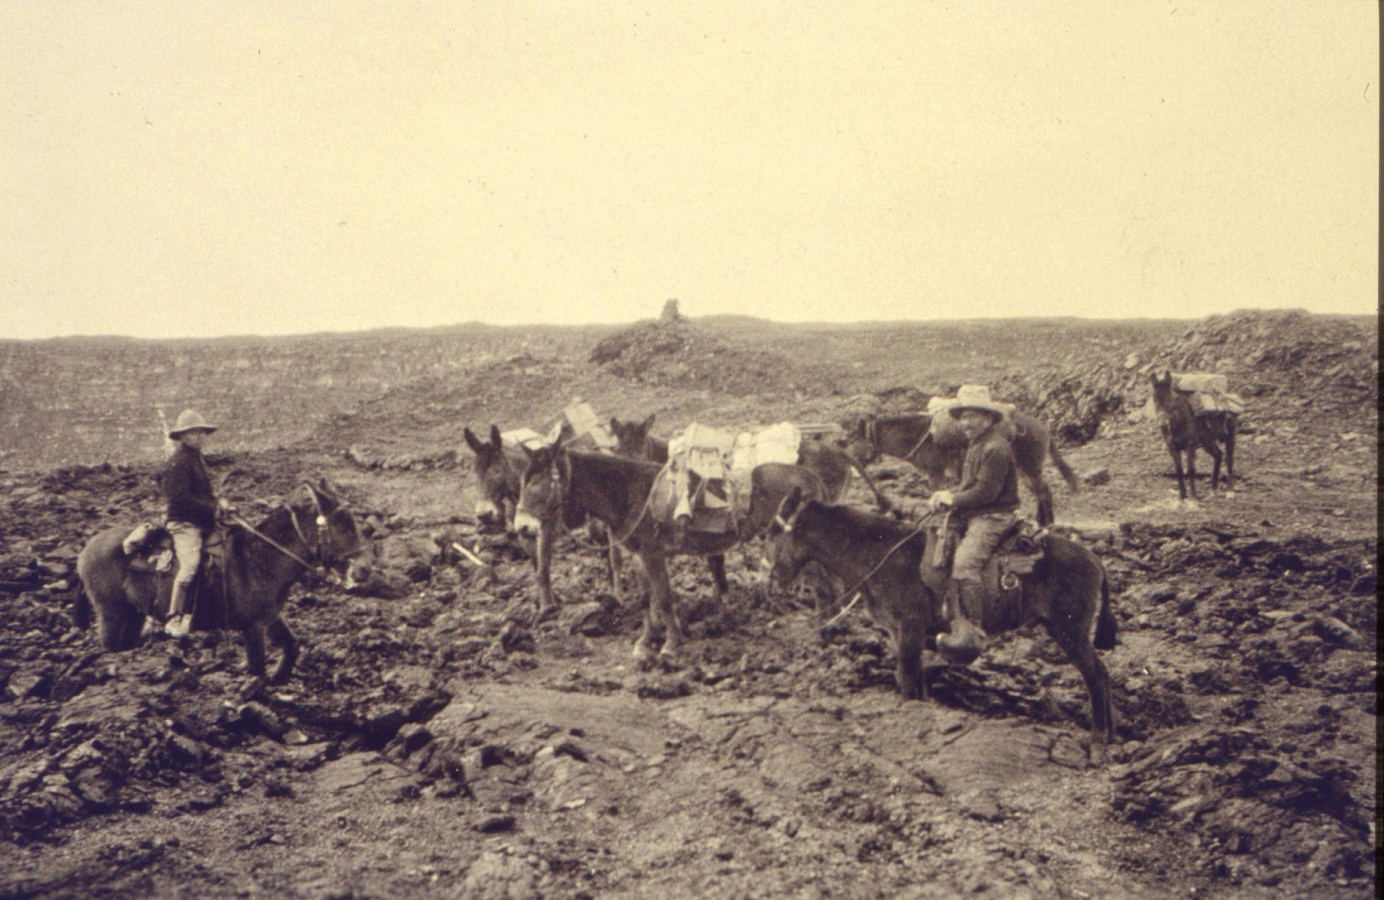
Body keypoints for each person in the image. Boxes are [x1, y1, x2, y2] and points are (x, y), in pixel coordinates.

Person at [925, 385, 1020, 665]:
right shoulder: (976, 444)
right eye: (963, 416)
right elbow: (969, 485)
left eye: (974, 416)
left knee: (965, 563)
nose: (966, 422)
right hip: (977, 511)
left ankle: (974, 629)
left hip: (994, 516)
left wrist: (951, 498)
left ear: (989, 419)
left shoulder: (995, 449)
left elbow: (985, 494)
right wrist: (946, 497)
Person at [161, 410, 227, 637]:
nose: (200, 437)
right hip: (184, 524)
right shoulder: (178, 463)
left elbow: (203, 494)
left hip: (203, 522)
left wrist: (221, 505)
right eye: (193, 433)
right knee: (189, 567)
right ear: (182, 437)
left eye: (201, 432)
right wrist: (212, 508)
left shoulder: (196, 460)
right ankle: (174, 616)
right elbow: (179, 498)